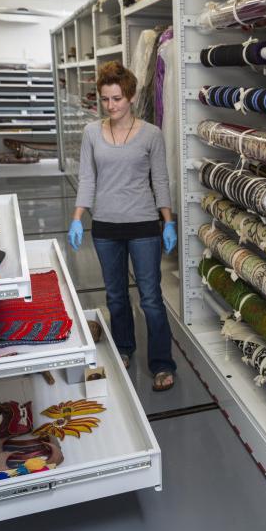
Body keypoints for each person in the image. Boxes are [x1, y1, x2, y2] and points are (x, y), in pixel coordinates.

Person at [69, 61, 178, 392]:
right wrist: (77, 217)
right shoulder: (91, 133)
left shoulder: (151, 134)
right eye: (105, 99)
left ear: (130, 97)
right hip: (105, 227)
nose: (110, 105)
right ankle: (124, 349)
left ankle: (161, 363)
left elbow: (160, 180)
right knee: (115, 295)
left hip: (144, 226)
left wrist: (167, 222)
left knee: (151, 298)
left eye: (116, 98)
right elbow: (88, 177)